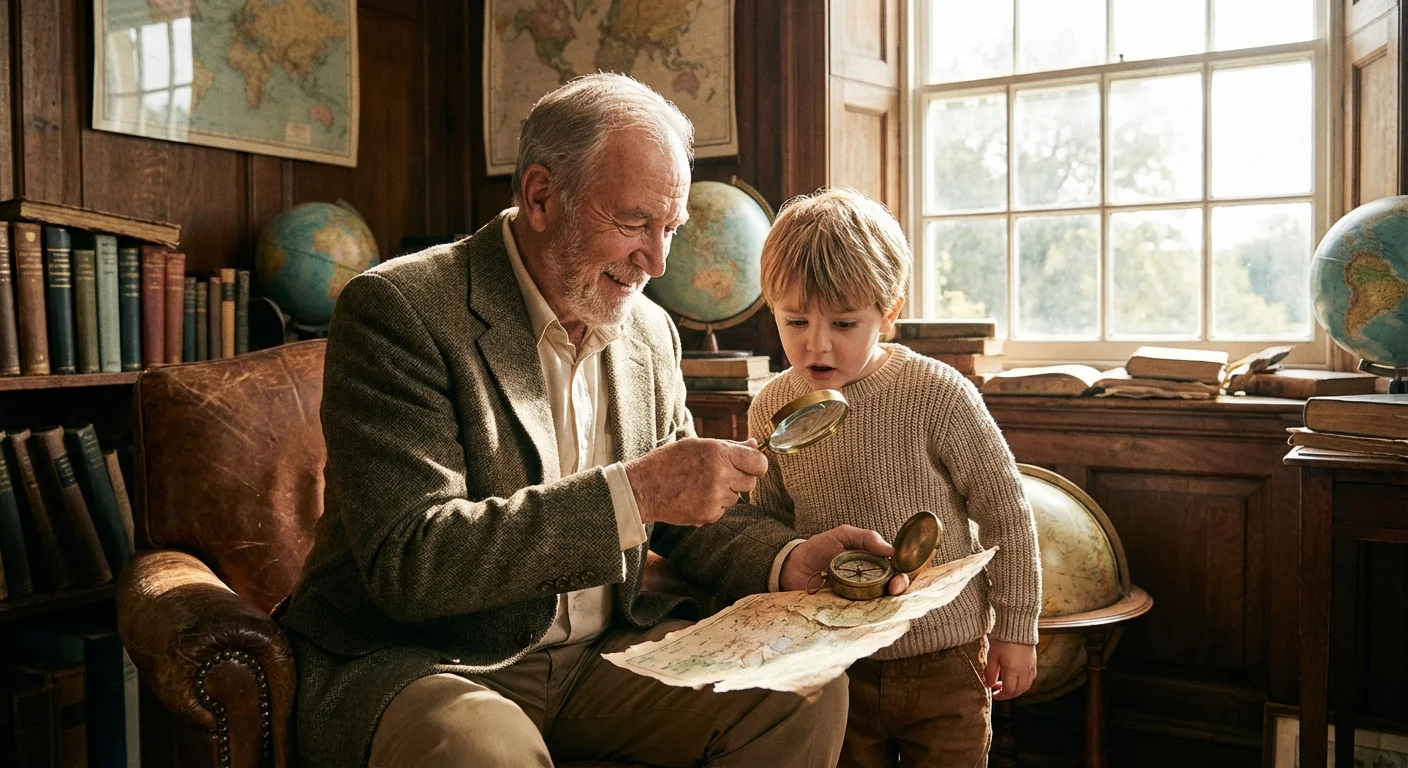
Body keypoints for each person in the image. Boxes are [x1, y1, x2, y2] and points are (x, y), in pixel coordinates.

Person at [277, 73, 906, 767]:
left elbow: (681, 511)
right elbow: (412, 560)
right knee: (482, 751)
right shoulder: (400, 310)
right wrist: (635, 492)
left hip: (597, 660)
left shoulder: (649, 333)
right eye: (635, 223)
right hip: (433, 659)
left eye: (670, 230)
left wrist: (788, 560)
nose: (656, 261)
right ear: (541, 197)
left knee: (802, 693)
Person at [748, 188, 1043, 767]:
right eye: (796, 320)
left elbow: (1007, 512)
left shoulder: (938, 394)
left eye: (845, 322)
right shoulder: (773, 406)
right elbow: (769, 530)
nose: (817, 342)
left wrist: (1016, 628)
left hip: (946, 657)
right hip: (834, 661)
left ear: (889, 313)